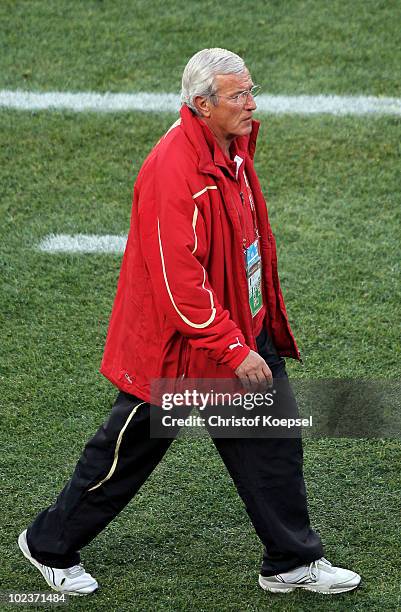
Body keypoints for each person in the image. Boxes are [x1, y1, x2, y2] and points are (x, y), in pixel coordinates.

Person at [18, 48, 361, 596]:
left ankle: (290, 560)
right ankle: (48, 543)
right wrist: (233, 347)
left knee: (271, 442)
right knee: (127, 455)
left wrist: (256, 326)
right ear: (202, 104)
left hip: (238, 332)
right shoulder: (172, 171)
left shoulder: (232, 149)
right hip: (179, 351)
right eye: (239, 95)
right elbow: (179, 283)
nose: (253, 103)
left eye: (251, 90)